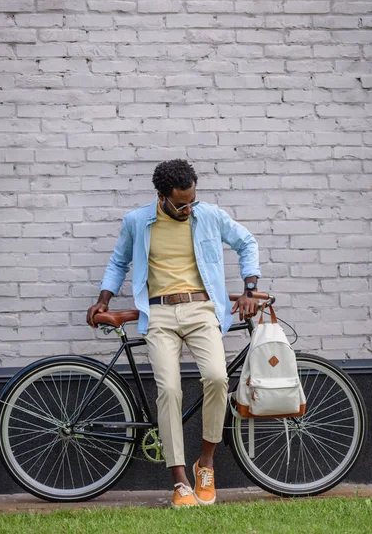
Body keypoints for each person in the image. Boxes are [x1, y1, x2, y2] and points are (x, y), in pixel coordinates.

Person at [87, 159, 261, 508]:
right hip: (159, 313)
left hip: (201, 310)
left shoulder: (208, 215)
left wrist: (250, 288)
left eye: (191, 201)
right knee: (168, 389)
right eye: (180, 204)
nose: (187, 209)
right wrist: (103, 298)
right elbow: (118, 261)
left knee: (216, 378)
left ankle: (206, 464)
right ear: (161, 196)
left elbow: (247, 242)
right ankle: (180, 480)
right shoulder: (138, 221)